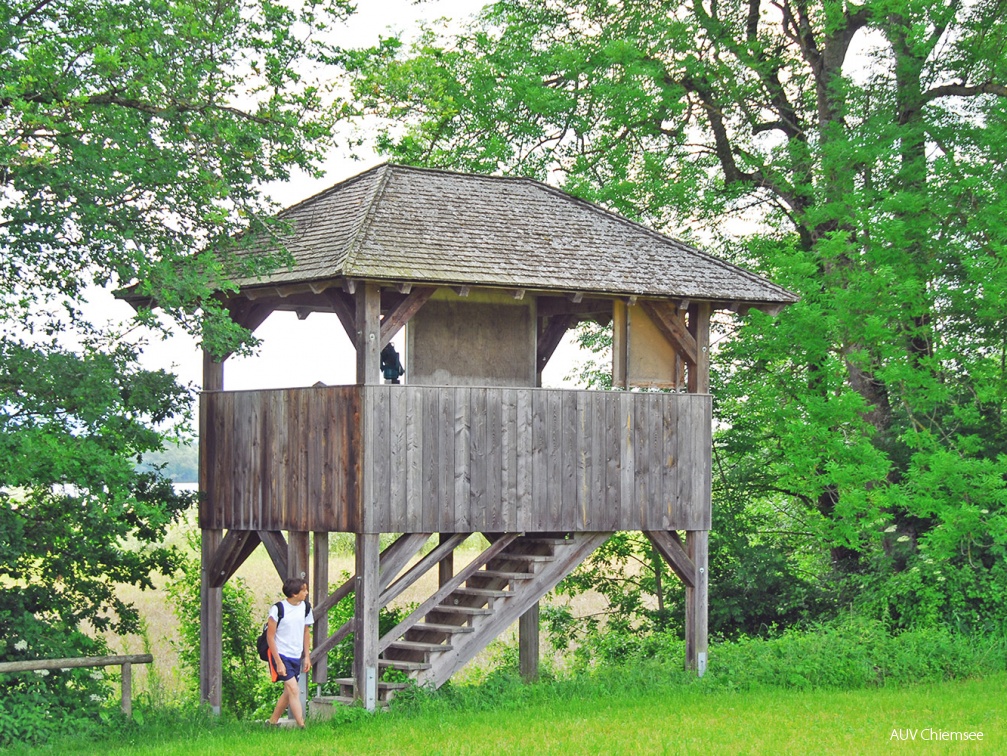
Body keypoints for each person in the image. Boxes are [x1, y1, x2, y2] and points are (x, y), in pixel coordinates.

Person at [266, 577, 314, 727]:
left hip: (296, 655)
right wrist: (278, 662)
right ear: (294, 594)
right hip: (281, 654)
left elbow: (306, 632)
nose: (306, 592)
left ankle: (272, 722)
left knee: (288, 692)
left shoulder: (305, 608)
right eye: (304, 590)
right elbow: (270, 637)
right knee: (294, 688)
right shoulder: (277, 609)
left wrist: (307, 656)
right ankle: (302, 726)